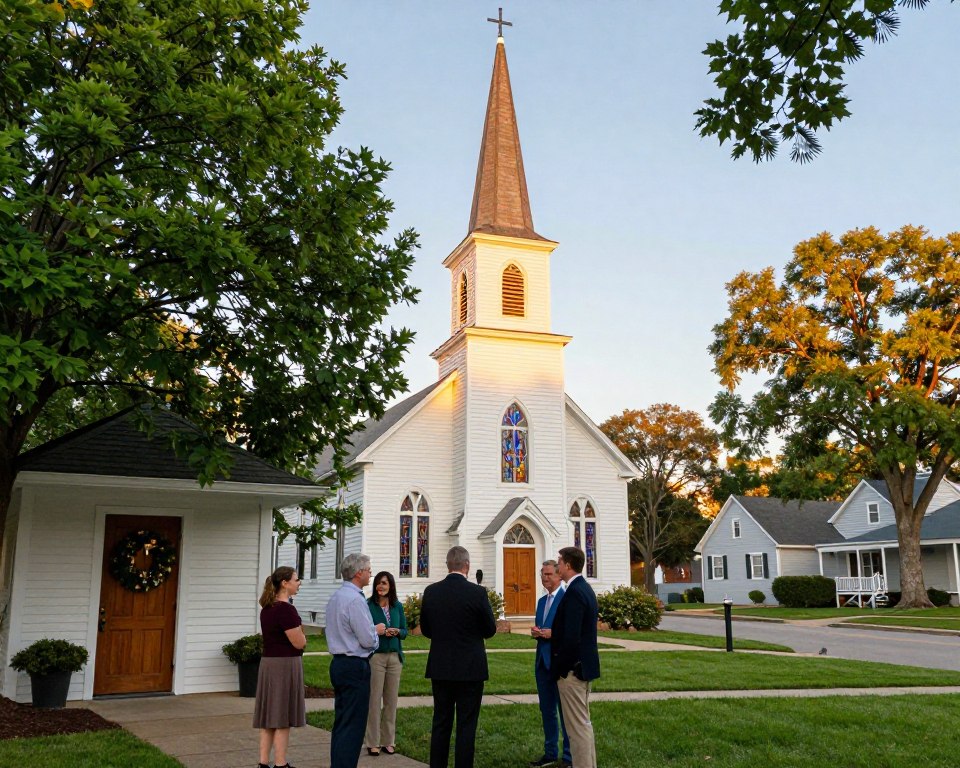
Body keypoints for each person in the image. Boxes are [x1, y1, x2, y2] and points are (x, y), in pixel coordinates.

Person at [420, 546, 497, 768]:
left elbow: (426, 628)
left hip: (441, 665)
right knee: (466, 724)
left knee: (441, 721)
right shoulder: (477, 593)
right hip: (470, 668)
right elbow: (490, 629)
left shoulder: (432, 591)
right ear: (467, 566)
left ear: (447, 565)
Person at [325, 553, 386, 768]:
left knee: (342, 722)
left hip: (339, 663)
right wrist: (377, 631)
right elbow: (367, 639)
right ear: (358, 573)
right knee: (353, 725)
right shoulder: (354, 600)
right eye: (369, 570)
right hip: (354, 665)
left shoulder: (336, 597)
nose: (371, 573)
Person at [550, 547, 600, 768]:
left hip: (573, 671)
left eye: (559, 562)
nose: (557, 565)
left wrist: (560, 668)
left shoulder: (575, 592)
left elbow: (571, 637)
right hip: (581, 667)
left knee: (576, 728)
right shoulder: (583, 589)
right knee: (583, 724)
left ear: (568, 565)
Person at [253, 566, 307, 768]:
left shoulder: (267, 608)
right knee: (282, 716)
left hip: (269, 663)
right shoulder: (286, 610)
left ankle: (263, 762)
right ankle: (281, 763)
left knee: (269, 717)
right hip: (284, 665)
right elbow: (299, 642)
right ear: (285, 583)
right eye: (296, 579)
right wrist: (303, 636)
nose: (298, 582)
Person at [529, 560, 572, 768]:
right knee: (546, 710)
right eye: (542, 574)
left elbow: (571, 632)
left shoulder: (566, 599)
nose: (545, 578)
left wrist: (552, 634)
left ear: (558, 575)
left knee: (565, 711)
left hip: (559, 663)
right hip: (542, 662)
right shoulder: (541, 602)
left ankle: (569, 756)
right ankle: (550, 752)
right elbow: (543, 627)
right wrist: (537, 632)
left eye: (548, 574)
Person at [365, 570, 408, 756]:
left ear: (390, 586)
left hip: (394, 658)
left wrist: (397, 631)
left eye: (384, 583)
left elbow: (405, 631)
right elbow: (364, 630)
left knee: (391, 701)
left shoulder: (397, 606)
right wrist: (378, 632)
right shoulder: (368, 605)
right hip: (376, 657)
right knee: (374, 701)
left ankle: (388, 741)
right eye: (378, 583)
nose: (380, 586)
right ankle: (372, 742)